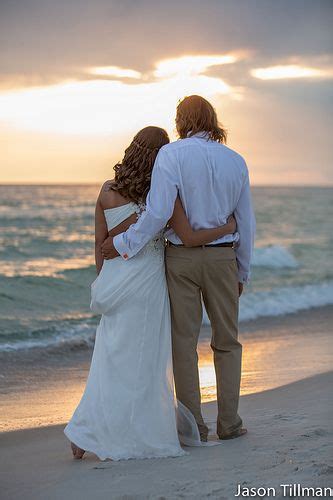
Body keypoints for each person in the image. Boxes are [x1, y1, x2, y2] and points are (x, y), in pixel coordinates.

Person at [64, 126, 237, 460]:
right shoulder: (161, 196)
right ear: (160, 157)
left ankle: (85, 431)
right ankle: (133, 430)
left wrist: (107, 286)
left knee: (110, 360)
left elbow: (100, 248)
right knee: (144, 361)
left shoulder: (106, 191)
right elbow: (187, 237)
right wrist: (228, 228)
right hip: (147, 285)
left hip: (115, 285)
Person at [102, 96, 256, 442]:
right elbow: (245, 222)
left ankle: (193, 428)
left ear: (182, 120)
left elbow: (157, 213)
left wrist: (124, 245)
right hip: (222, 259)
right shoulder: (236, 161)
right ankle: (229, 424)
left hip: (182, 259)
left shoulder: (171, 155)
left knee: (184, 344)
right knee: (228, 342)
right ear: (212, 120)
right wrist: (242, 272)